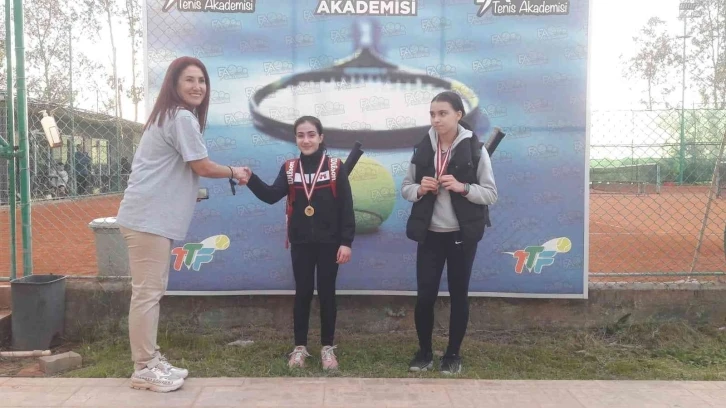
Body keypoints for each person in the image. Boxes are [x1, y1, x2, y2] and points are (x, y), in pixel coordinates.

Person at [115, 56, 249, 392]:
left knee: (150, 292)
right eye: (189, 80)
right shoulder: (181, 117)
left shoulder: (170, 116)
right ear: (174, 84)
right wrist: (234, 171)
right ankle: (144, 367)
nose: (197, 87)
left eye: (202, 81)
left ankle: (151, 359)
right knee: (147, 295)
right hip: (148, 220)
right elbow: (202, 166)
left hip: (150, 218)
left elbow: (178, 171)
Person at [243, 116, 355, 371]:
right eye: (301, 135)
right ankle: (300, 348)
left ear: (320, 137)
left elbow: (346, 207)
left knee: (327, 293)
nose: (306, 140)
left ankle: (327, 347)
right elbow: (271, 195)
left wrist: (346, 242)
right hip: (301, 243)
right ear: (295, 138)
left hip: (330, 243)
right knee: (302, 293)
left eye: (311, 134)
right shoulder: (290, 168)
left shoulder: (335, 166)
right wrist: (251, 179)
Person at [401, 91, 498, 375]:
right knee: (425, 296)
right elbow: (406, 188)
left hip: (461, 236)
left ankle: (453, 354)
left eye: (442, 113)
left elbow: (490, 194)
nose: (436, 119)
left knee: (458, 295)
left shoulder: (475, 150)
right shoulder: (422, 149)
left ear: (458, 115)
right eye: (432, 114)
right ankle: (424, 352)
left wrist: (463, 188)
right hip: (430, 235)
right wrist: (420, 189)